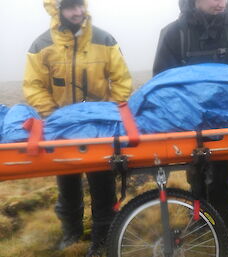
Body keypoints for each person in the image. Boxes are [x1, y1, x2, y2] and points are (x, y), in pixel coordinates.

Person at [23, 0, 132, 256]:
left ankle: (103, 238)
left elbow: (121, 80)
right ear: (57, 10)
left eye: (80, 5)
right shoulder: (41, 45)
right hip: (62, 131)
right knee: (67, 185)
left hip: (98, 131)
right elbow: (34, 85)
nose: (78, 12)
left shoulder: (104, 40)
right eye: (71, 7)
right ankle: (71, 234)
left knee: (103, 185)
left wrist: (107, 114)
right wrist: (53, 116)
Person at [153, 0, 228, 232]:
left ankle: (221, 225)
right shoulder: (173, 34)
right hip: (191, 123)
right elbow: (162, 82)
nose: (220, 1)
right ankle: (201, 218)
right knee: (197, 175)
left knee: (224, 178)